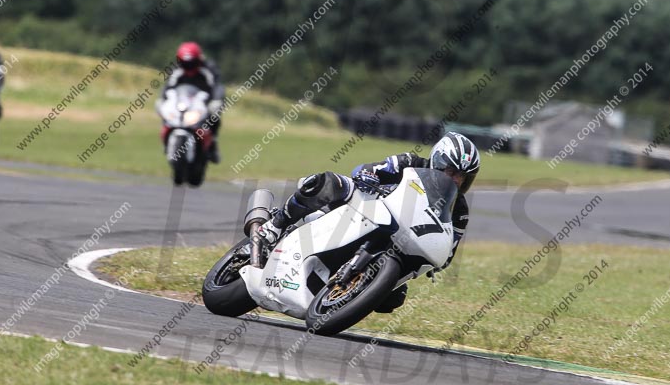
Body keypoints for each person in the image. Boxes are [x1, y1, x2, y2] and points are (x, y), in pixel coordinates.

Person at [256, 132, 480, 312]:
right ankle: (275, 225)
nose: (456, 180)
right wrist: (368, 176)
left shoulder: (459, 211)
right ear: (437, 161)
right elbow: (367, 169)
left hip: (399, 239)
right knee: (328, 183)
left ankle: (345, 290)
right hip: (364, 209)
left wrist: (438, 258)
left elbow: (450, 249)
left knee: (393, 299)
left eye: (462, 176)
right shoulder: (410, 162)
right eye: (451, 171)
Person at [161, 42, 225, 163]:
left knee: (214, 115)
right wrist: (164, 100)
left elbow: (217, 87)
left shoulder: (208, 69)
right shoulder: (176, 70)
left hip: (202, 103)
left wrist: (216, 100)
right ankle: (166, 142)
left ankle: (213, 144)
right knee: (165, 113)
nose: (188, 66)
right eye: (185, 63)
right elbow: (168, 87)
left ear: (198, 60)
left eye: (191, 63)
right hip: (182, 103)